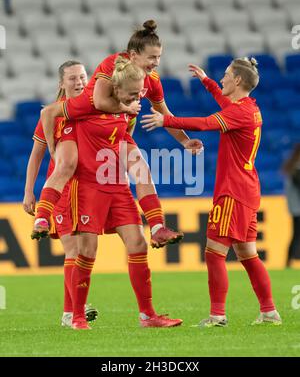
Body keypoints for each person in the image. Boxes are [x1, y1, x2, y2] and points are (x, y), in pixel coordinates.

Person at [32, 20, 202, 247]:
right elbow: (97, 102)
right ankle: (42, 217)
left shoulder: (152, 81)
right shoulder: (112, 65)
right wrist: (53, 146)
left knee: (142, 169)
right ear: (133, 55)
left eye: (159, 57)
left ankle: (158, 227)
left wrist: (184, 141)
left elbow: (164, 113)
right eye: (152, 57)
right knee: (66, 165)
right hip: (86, 120)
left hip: (114, 131)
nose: (156, 63)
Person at [42, 56, 183, 330]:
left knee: (138, 244)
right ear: (115, 90)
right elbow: (49, 114)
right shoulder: (86, 105)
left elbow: (123, 134)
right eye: (131, 95)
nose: (136, 100)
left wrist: (182, 140)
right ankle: (76, 316)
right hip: (88, 188)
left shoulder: (127, 108)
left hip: (116, 186)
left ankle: (148, 315)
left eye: (138, 94)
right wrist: (50, 151)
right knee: (86, 252)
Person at [141, 58, 282, 326]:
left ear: (238, 81)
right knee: (248, 255)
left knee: (214, 252)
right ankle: (269, 311)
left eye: (226, 75)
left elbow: (206, 123)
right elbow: (223, 101)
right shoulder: (248, 108)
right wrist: (206, 81)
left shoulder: (238, 113)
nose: (222, 79)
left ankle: (217, 316)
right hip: (247, 189)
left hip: (233, 192)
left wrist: (165, 120)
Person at [23, 60, 98, 327]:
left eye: (83, 77)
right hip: (61, 191)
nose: (79, 82)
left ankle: (70, 311)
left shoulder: (94, 110)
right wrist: (29, 191)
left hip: (89, 190)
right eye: (73, 78)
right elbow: (36, 156)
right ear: (61, 83)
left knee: (85, 251)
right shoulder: (53, 115)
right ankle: (73, 311)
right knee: (74, 249)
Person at [282, 143, 300, 267]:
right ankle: (289, 262)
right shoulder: (296, 169)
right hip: (297, 207)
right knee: (296, 235)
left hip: (295, 207)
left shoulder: (292, 167)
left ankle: (289, 262)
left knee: (296, 235)